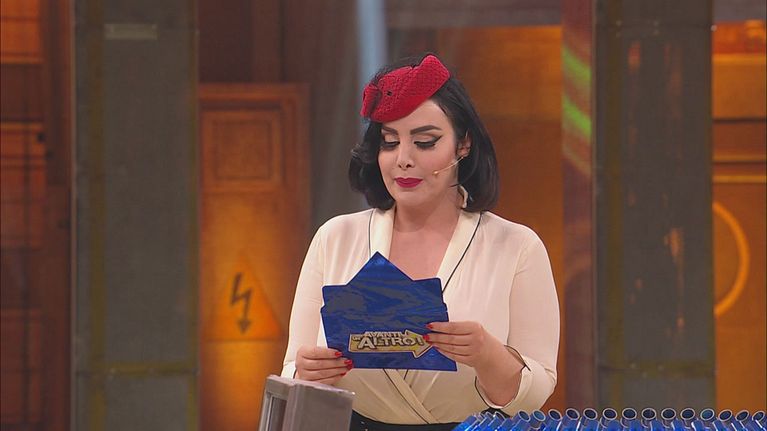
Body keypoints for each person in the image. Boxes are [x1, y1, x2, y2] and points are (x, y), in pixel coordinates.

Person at [281, 53, 559, 430]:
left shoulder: (516, 246)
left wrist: (487, 354)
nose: (403, 159)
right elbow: (292, 375)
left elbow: (536, 394)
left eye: (425, 142)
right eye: (389, 142)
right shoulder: (336, 238)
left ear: (463, 145)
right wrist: (307, 373)